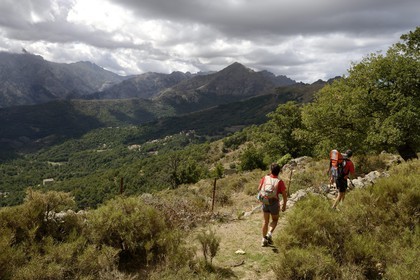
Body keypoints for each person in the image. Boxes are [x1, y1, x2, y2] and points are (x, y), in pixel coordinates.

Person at [258, 163, 287, 247]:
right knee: (275, 220)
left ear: (271, 170)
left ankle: (263, 239)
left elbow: (259, 188)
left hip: (265, 201)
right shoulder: (280, 181)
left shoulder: (265, 178)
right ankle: (269, 233)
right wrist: (284, 205)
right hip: (274, 203)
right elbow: (284, 195)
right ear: (279, 172)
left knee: (265, 221)